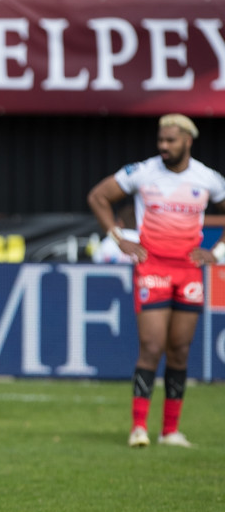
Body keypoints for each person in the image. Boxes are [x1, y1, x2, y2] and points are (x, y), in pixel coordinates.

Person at [87, 113, 225, 448]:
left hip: (189, 270)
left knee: (180, 349)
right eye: (160, 140)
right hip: (153, 268)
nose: (163, 146)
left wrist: (217, 253)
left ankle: (171, 430)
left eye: (170, 140)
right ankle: (138, 427)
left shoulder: (207, 178)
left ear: (188, 141)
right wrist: (120, 238)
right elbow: (98, 196)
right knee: (151, 346)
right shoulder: (142, 172)